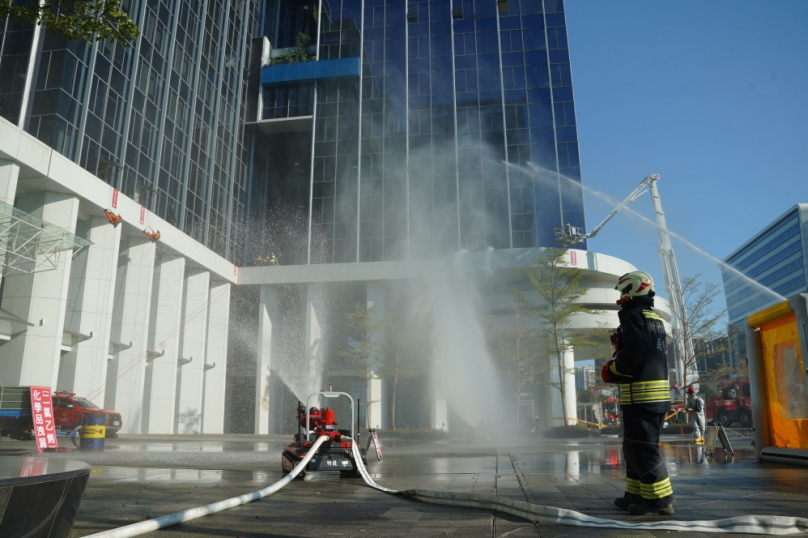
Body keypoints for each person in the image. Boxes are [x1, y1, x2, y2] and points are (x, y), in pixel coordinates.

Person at [601, 271, 674, 516]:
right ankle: (634, 494)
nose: (621, 297)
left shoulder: (633, 317)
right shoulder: (653, 319)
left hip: (641, 397)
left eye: (623, 292)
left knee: (642, 449)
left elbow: (633, 353)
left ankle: (660, 499)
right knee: (633, 448)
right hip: (651, 397)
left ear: (634, 290)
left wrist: (612, 369)